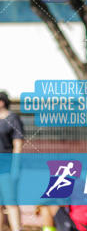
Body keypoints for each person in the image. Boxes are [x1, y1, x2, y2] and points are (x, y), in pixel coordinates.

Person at [0, 92, 24, 231]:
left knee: (10, 201)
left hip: (7, 167)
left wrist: (15, 167)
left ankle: (16, 229)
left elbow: (18, 145)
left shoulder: (13, 119)